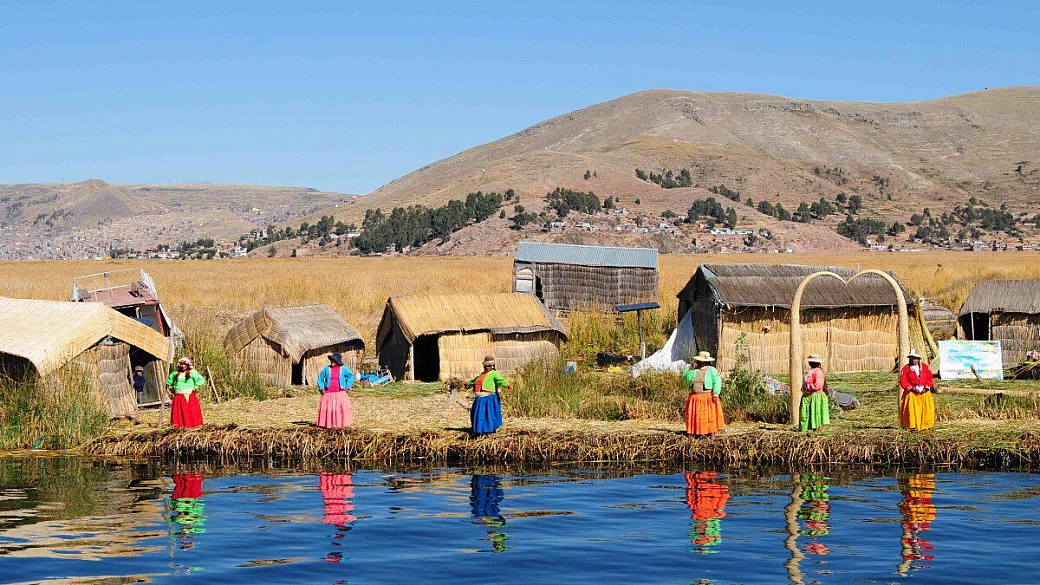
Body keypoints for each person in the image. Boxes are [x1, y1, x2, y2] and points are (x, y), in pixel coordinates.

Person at [682, 351, 725, 437]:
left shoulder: (712, 370)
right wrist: (690, 368)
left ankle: (711, 433)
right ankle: (694, 432)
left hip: (707, 397)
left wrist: (715, 394)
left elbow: (717, 381)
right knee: (696, 415)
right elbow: (685, 377)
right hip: (695, 397)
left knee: (709, 416)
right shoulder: (695, 371)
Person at [469, 355, 510, 435]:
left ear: (492, 366)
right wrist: (468, 384)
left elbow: (500, 380)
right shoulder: (482, 374)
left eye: (488, 366)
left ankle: (489, 429)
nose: (486, 367)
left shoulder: (494, 373)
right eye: (485, 366)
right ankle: (479, 430)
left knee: (488, 414)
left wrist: (507, 385)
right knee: (478, 414)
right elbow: (474, 381)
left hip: (488, 398)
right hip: (479, 398)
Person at [899, 349, 935, 431]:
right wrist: (912, 388)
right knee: (912, 409)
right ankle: (912, 425)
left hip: (924, 392)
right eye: (912, 358)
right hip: (911, 393)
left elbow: (929, 378)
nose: (913, 360)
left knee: (925, 408)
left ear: (918, 359)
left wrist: (926, 387)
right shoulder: (906, 369)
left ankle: (925, 425)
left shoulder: (925, 367)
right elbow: (903, 380)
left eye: (915, 358)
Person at [316, 352, 355, 429]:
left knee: (339, 409)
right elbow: (320, 378)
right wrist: (322, 388)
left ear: (337, 362)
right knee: (330, 410)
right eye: (331, 360)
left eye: (333, 360)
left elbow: (351, 376)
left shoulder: (343, 369)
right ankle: (329, 425)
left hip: (340, 393)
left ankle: (339, 425)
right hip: (328, 394)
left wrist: (347, 387)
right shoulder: (326, 369)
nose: (332, 362)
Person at [167, 358, 205, 428]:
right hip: (178, 396)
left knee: (190, 411)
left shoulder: (192, 373)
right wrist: (171, 387)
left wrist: (195, 387)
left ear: (188, 365)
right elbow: (170, 382)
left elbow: (201, 379)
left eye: (185, 364)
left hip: (189, 395)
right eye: (181, 364)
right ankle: (179, 425)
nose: (183, 366)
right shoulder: (175, 373)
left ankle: (191, 425)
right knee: (178, 412)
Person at [799, 354, 829, 432]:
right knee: (805, 414)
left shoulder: (818, 372)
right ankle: (808, 430)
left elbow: (818, 385)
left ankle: (816, 430)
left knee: (815, 412)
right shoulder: (810, 372)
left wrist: (807, 387)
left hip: (815, 396)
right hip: (808, 395)